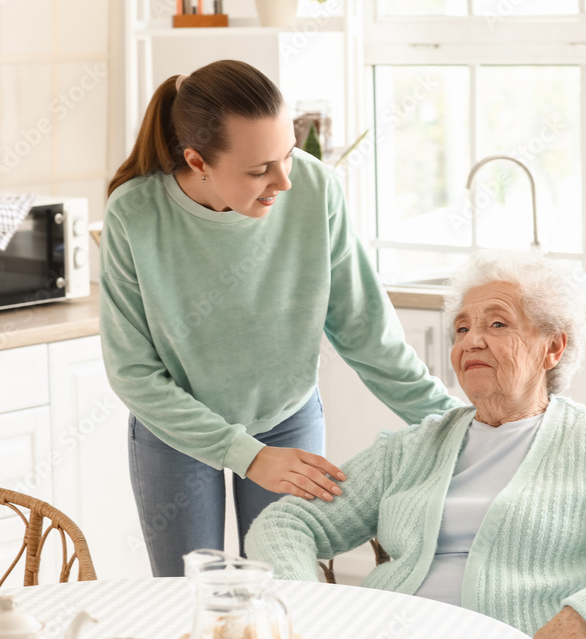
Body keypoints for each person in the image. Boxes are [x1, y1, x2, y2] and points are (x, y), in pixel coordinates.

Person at [245, 249, 586, 639]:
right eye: (461, 328)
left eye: (497, 324)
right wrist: (308, 612)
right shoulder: (411, 447)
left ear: (553, 347)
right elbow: (285, 523)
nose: (471, 340)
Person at [99, 60, 460, 577]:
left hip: (287, 418)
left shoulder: (316, 190)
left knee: (287, 597)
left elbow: (366, 333)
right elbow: (132, 371)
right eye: (258, 169)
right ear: (198, 161)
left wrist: (455, 424)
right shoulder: (135, 213)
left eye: (287, 155)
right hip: (177, 433)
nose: (285, 182)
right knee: (187, 598)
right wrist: (244, 453)